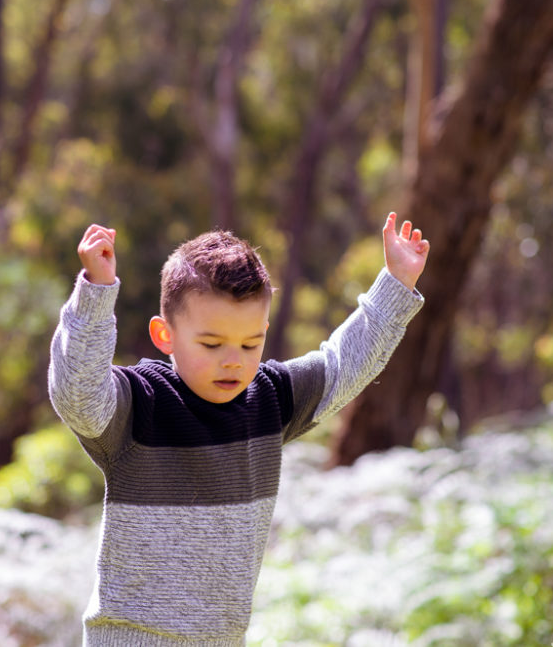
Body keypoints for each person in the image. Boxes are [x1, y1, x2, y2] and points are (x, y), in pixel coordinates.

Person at [48, 213, 429, 645]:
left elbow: (343, 365)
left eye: (251, 344)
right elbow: (77, 395)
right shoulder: (139, 406)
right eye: (211, 344)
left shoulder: (267, 400)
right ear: (164, 334)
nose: (233, 360)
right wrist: (95, 294)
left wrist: (397, 283)